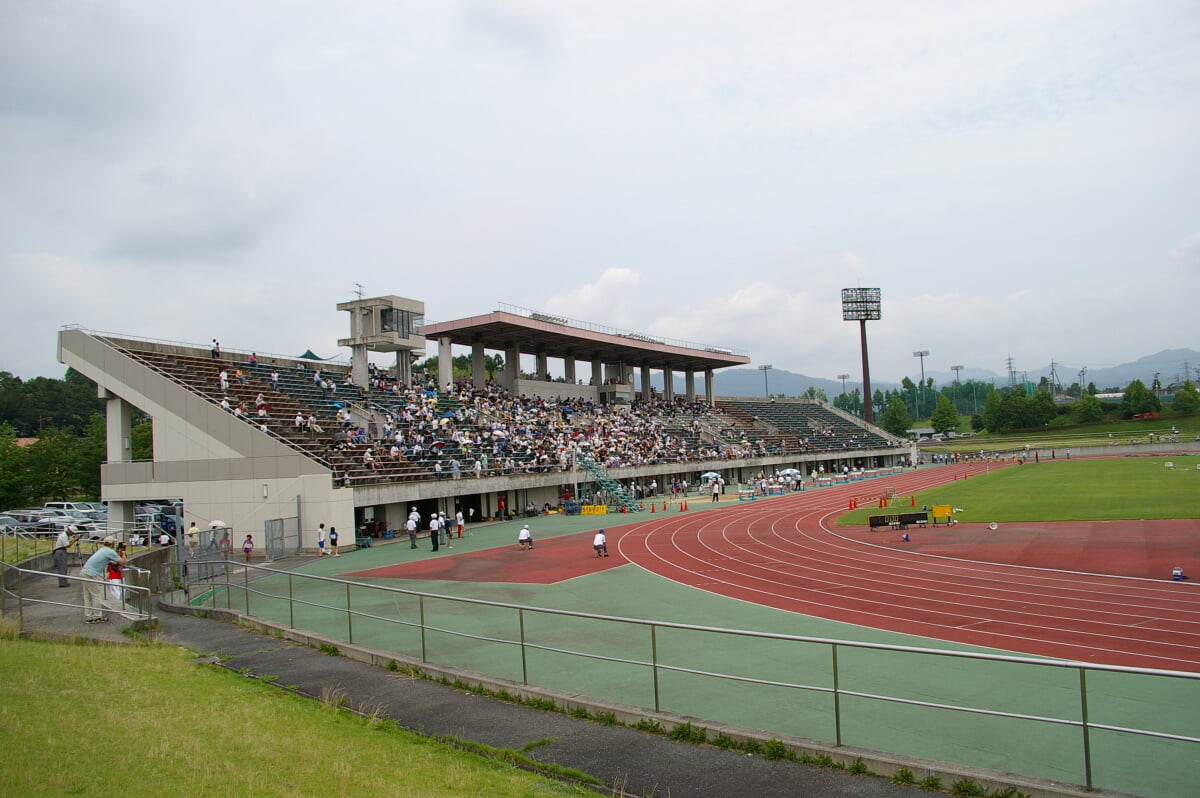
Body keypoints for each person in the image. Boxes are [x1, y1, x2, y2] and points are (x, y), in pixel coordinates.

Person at [80, 536, 125, 623]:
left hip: (84, 572)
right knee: (96, 595)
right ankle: (97, 616)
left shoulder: (102, 550)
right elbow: (122, 562)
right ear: (113, 544)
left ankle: (89, 616)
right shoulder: (109, 552)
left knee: (87, 596)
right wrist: (123, 552)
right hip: (91, 575)